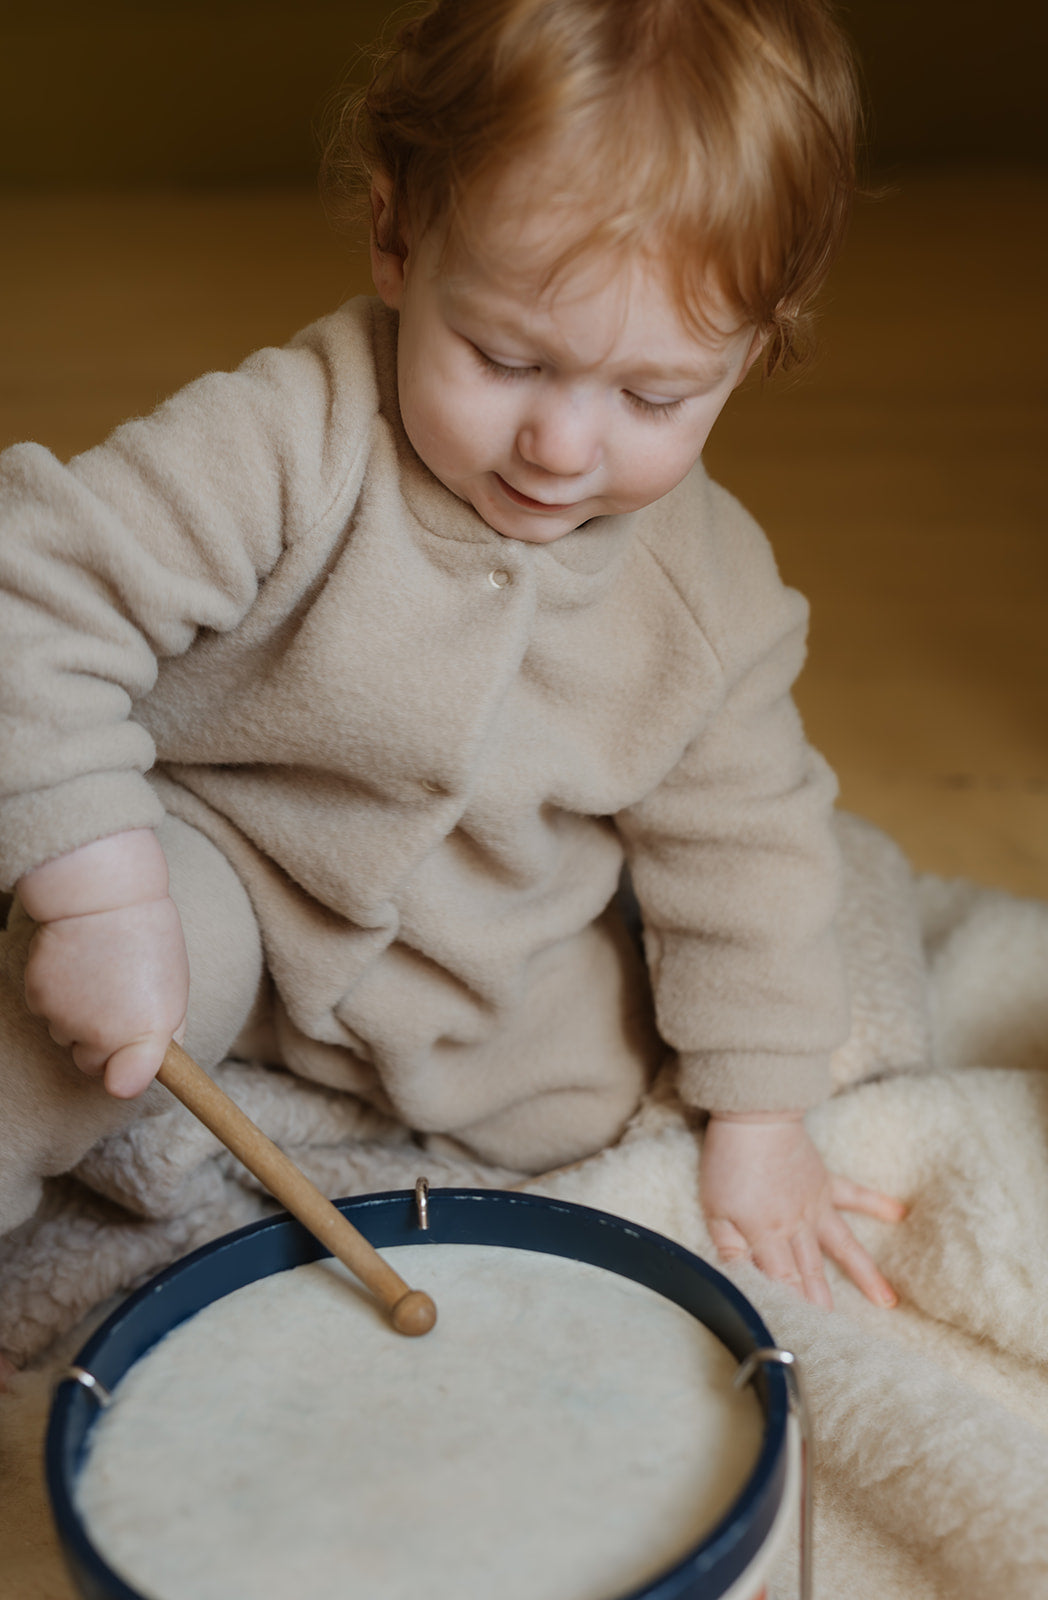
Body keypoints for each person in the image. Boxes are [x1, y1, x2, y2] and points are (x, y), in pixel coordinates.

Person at [0, 0, 904, 1327]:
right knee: (50, 1031)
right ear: (395, 238)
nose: (560, 445)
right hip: (218, 864)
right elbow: (31, 590)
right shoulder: (285, 440)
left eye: (653, 397)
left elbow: (745, 851)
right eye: (503, 358)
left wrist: (761, 1119)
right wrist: (96, 889)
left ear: (757, 343)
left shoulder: (711, 600)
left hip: (483, 973)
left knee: (628, 1122)